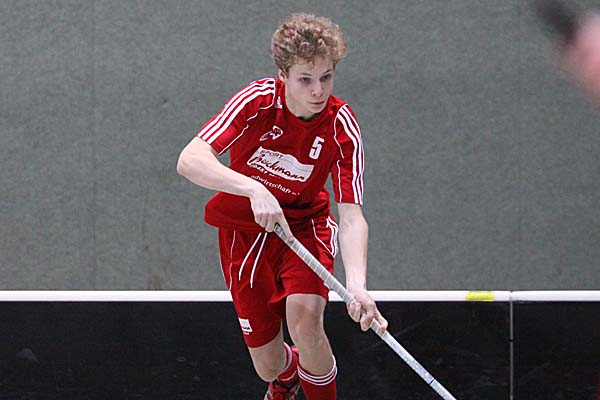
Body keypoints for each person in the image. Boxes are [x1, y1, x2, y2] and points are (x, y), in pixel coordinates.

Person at [177, 12, 388, 400]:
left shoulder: (341, 125)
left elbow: (352, 215)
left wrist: (357, 284)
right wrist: (252, 189)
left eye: (326, 77)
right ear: (283, 74)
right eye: (305, 79)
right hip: (244, 235)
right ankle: (288, 376)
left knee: (305, 322)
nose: (317, 91)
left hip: (304, 230)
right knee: (268, 365)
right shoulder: (257, 101)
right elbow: (190, 160)